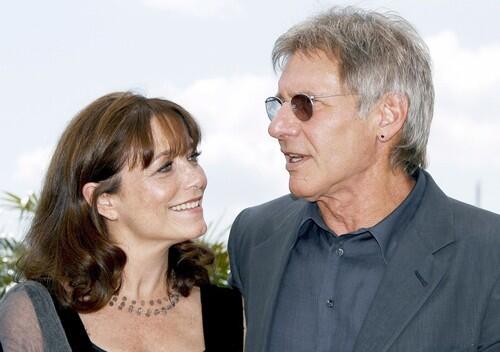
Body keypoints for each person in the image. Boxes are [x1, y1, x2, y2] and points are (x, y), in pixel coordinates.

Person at [228, 6, 500, 352]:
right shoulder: (254, 237)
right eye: (278, 104)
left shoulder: (489, 257)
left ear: (386, 116)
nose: (277, 127)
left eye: (304, 104)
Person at [0, 92, 243, 351]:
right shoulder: (37, 313)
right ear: (104, 201)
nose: (197, 178)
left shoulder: (232, 314)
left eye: (192, 157)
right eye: (165, 167)